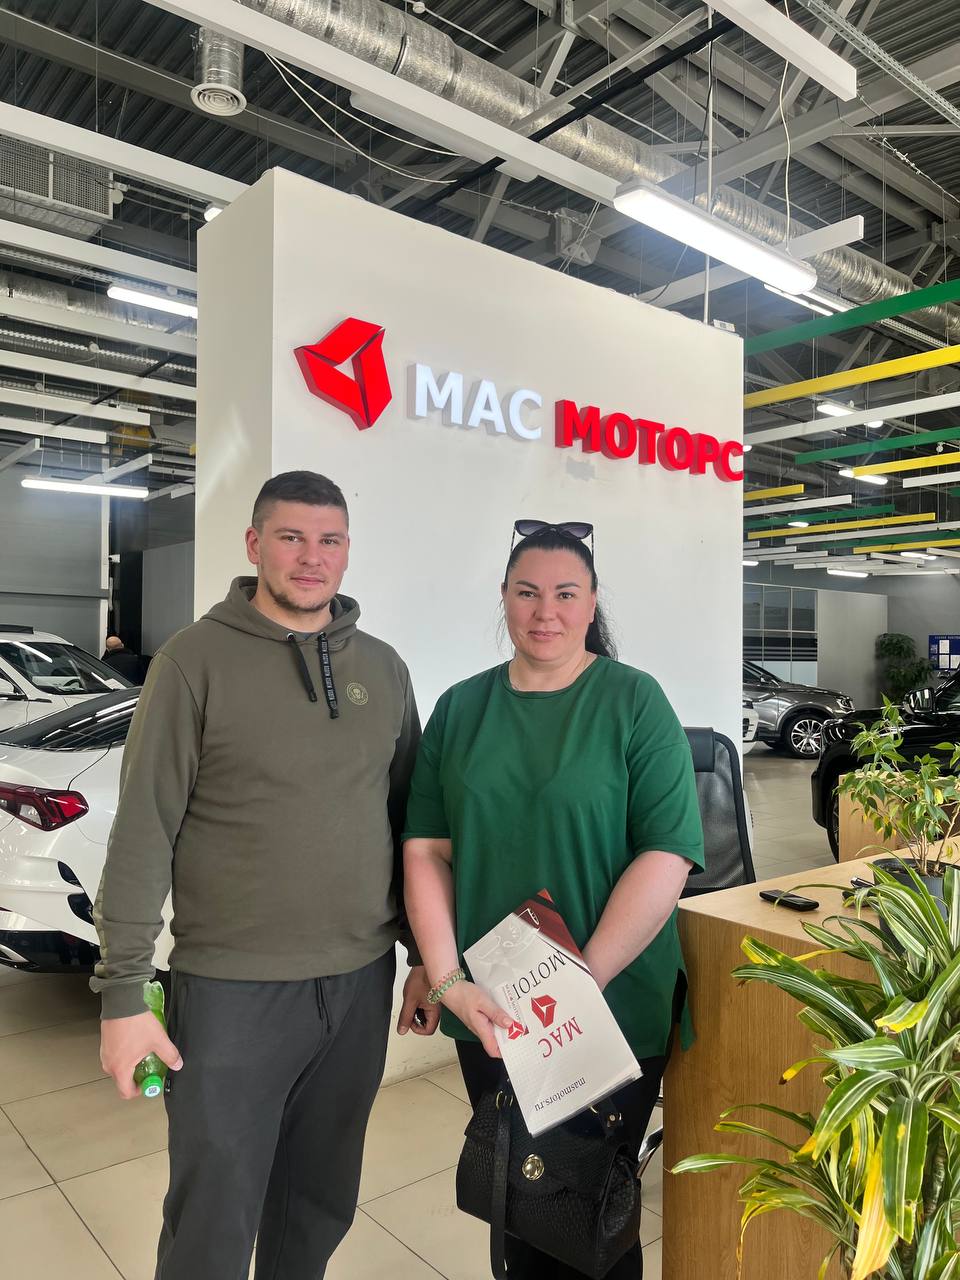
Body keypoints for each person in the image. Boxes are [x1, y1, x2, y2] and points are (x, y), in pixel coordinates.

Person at [91, 470, 438, 1280]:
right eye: (291, 537)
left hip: (357, 985)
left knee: (317, 1205)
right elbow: (142, 834)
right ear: (254, 545)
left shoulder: (384, 669)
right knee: (212, 1217)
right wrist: (123, 993)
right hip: (231, 992)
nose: (311, 557)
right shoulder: (193, 662)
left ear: (347, 551)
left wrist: (425, 957)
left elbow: (411, 828)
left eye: (329, 540)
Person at [402, 520, 704, 1280]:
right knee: (518, 1205)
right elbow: (427, 852)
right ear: (503, 598)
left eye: (566, 594)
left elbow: (666, 854)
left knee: (592, 1220)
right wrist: (446, 979)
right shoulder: (461, 709)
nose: (546, 612)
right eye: (527, 593)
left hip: (609, 1005)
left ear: (592, 603)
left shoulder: (634, 702)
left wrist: (577, 983)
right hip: (493, 1008)